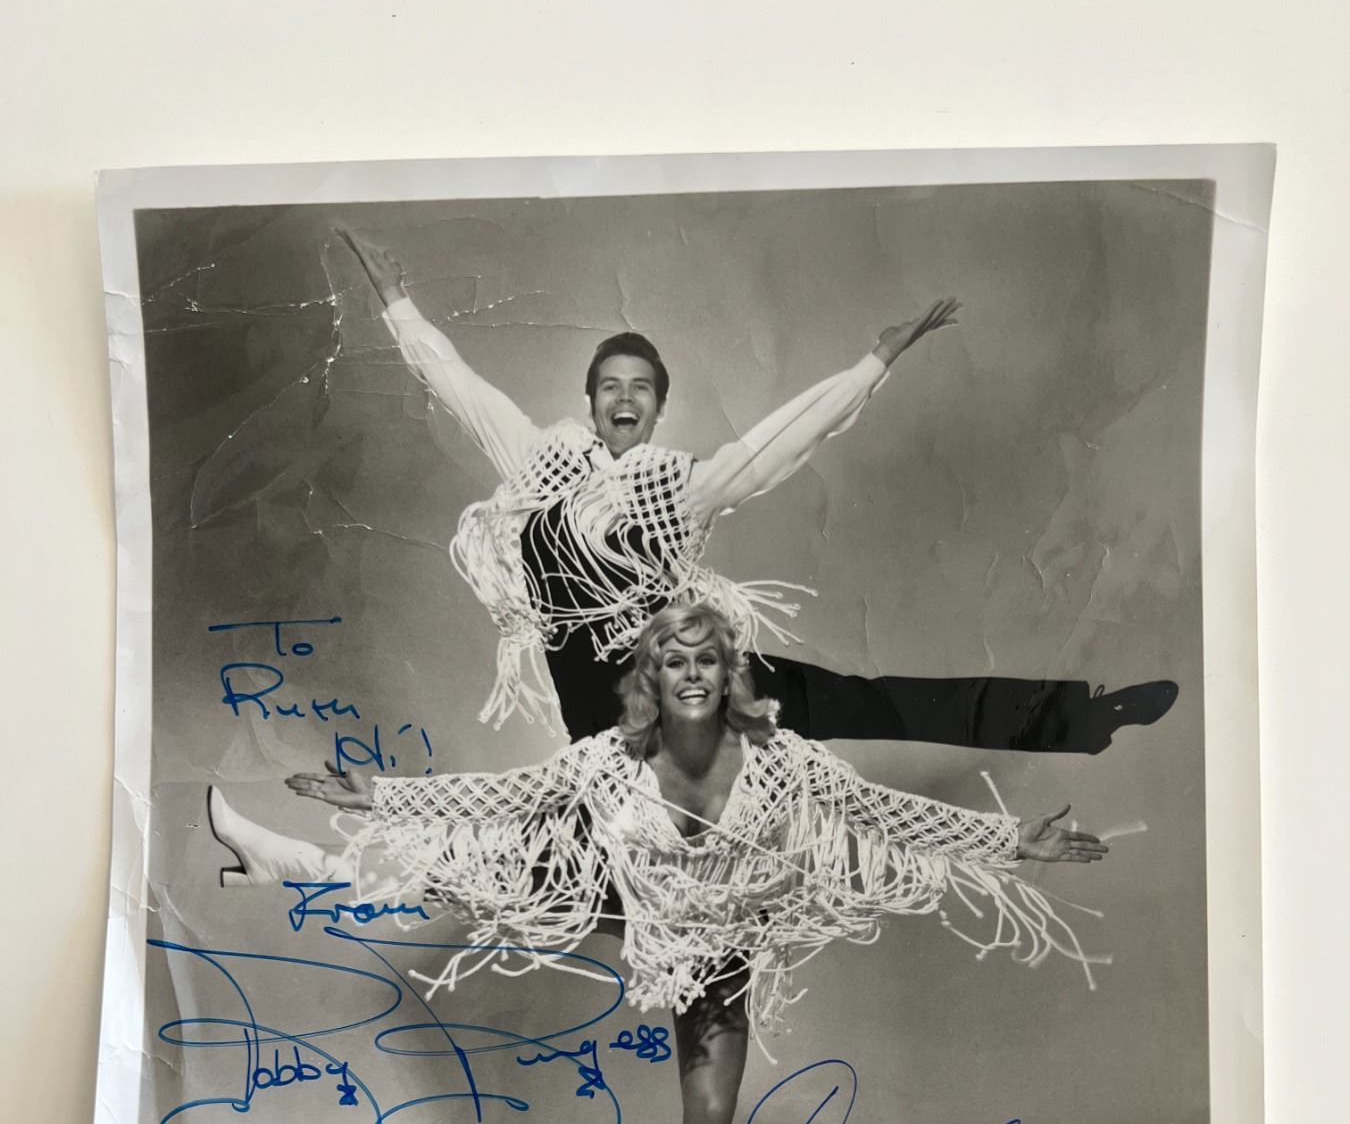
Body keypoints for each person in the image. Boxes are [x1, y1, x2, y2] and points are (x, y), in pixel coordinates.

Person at [209, 604, 1108, 1124]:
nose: (691, 675)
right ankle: (291, 861)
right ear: (652, 677)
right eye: (674, 662)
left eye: (707, 660)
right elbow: (506, 796)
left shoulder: (784, 761)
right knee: (479, 872)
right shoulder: (607, 759)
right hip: (623, 896)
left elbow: (881, 813)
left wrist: (1011, 840)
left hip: (715, 939)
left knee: (712, 1115)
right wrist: (383, 794)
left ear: (729, 674)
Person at [339, 227, 1175, 755]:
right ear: (590, 401)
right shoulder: (536, 462)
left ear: (658, 409)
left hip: (691, 681)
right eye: (610, 386)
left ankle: (1082, 716)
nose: (624, 399)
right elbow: (460, 388)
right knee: (621, 845)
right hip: (605, 719)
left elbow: (782, 441)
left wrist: (875, 362)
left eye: (641, 389)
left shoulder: (679, 489)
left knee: (867, 703)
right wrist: (397, 302)